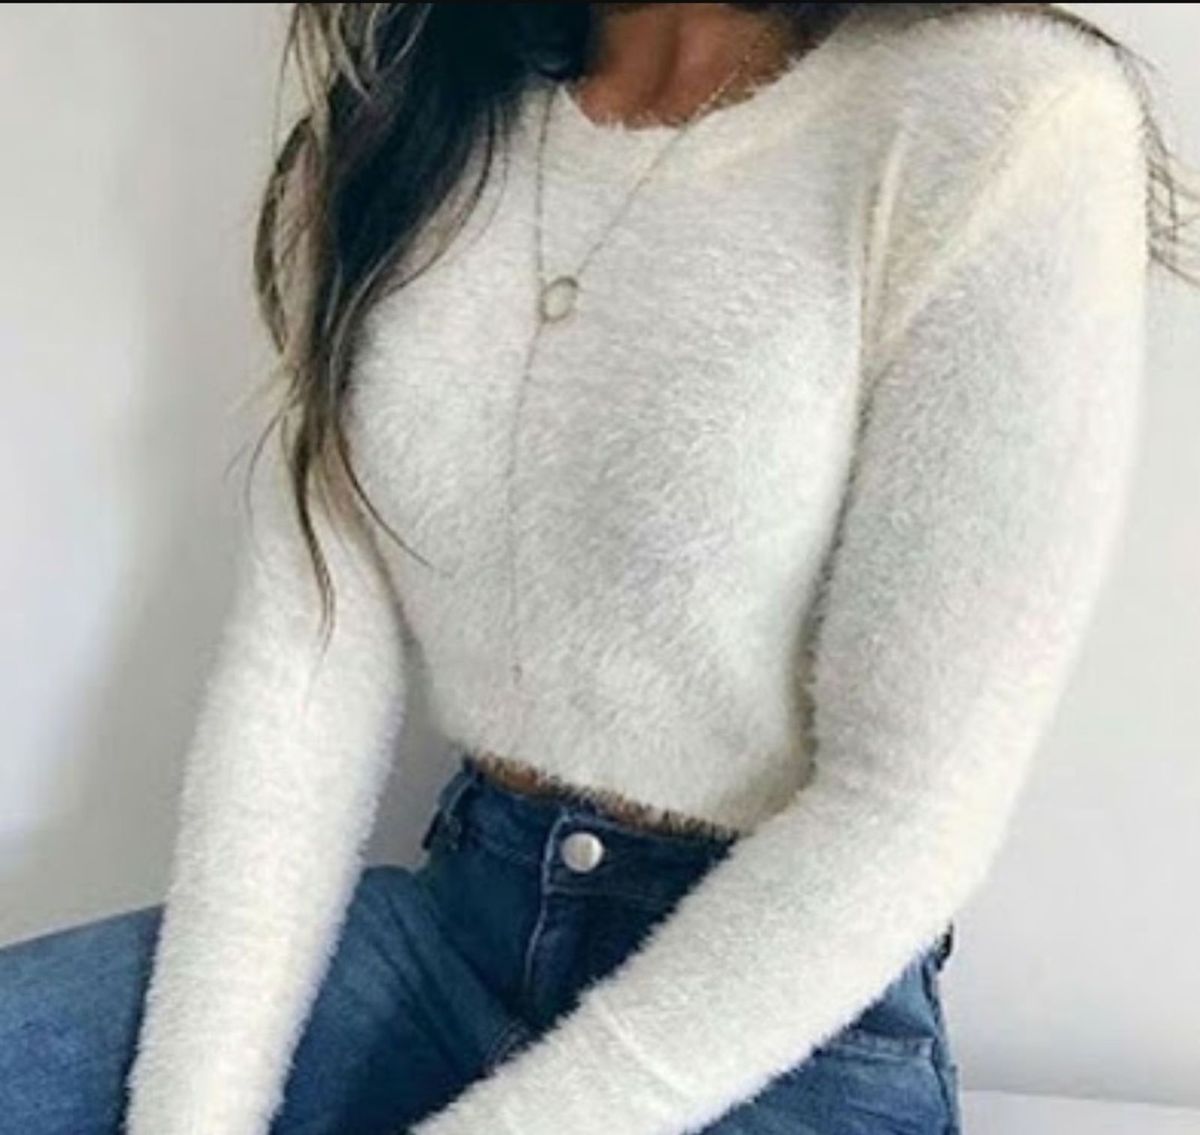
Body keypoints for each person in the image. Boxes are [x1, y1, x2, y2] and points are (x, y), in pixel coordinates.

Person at [2, 3, 1195, 1133]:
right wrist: (191, 1112)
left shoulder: (1007, 118)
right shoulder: (409, 117)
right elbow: (304, 664)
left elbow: (908, 806)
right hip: (456, 925)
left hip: (771, 1018)